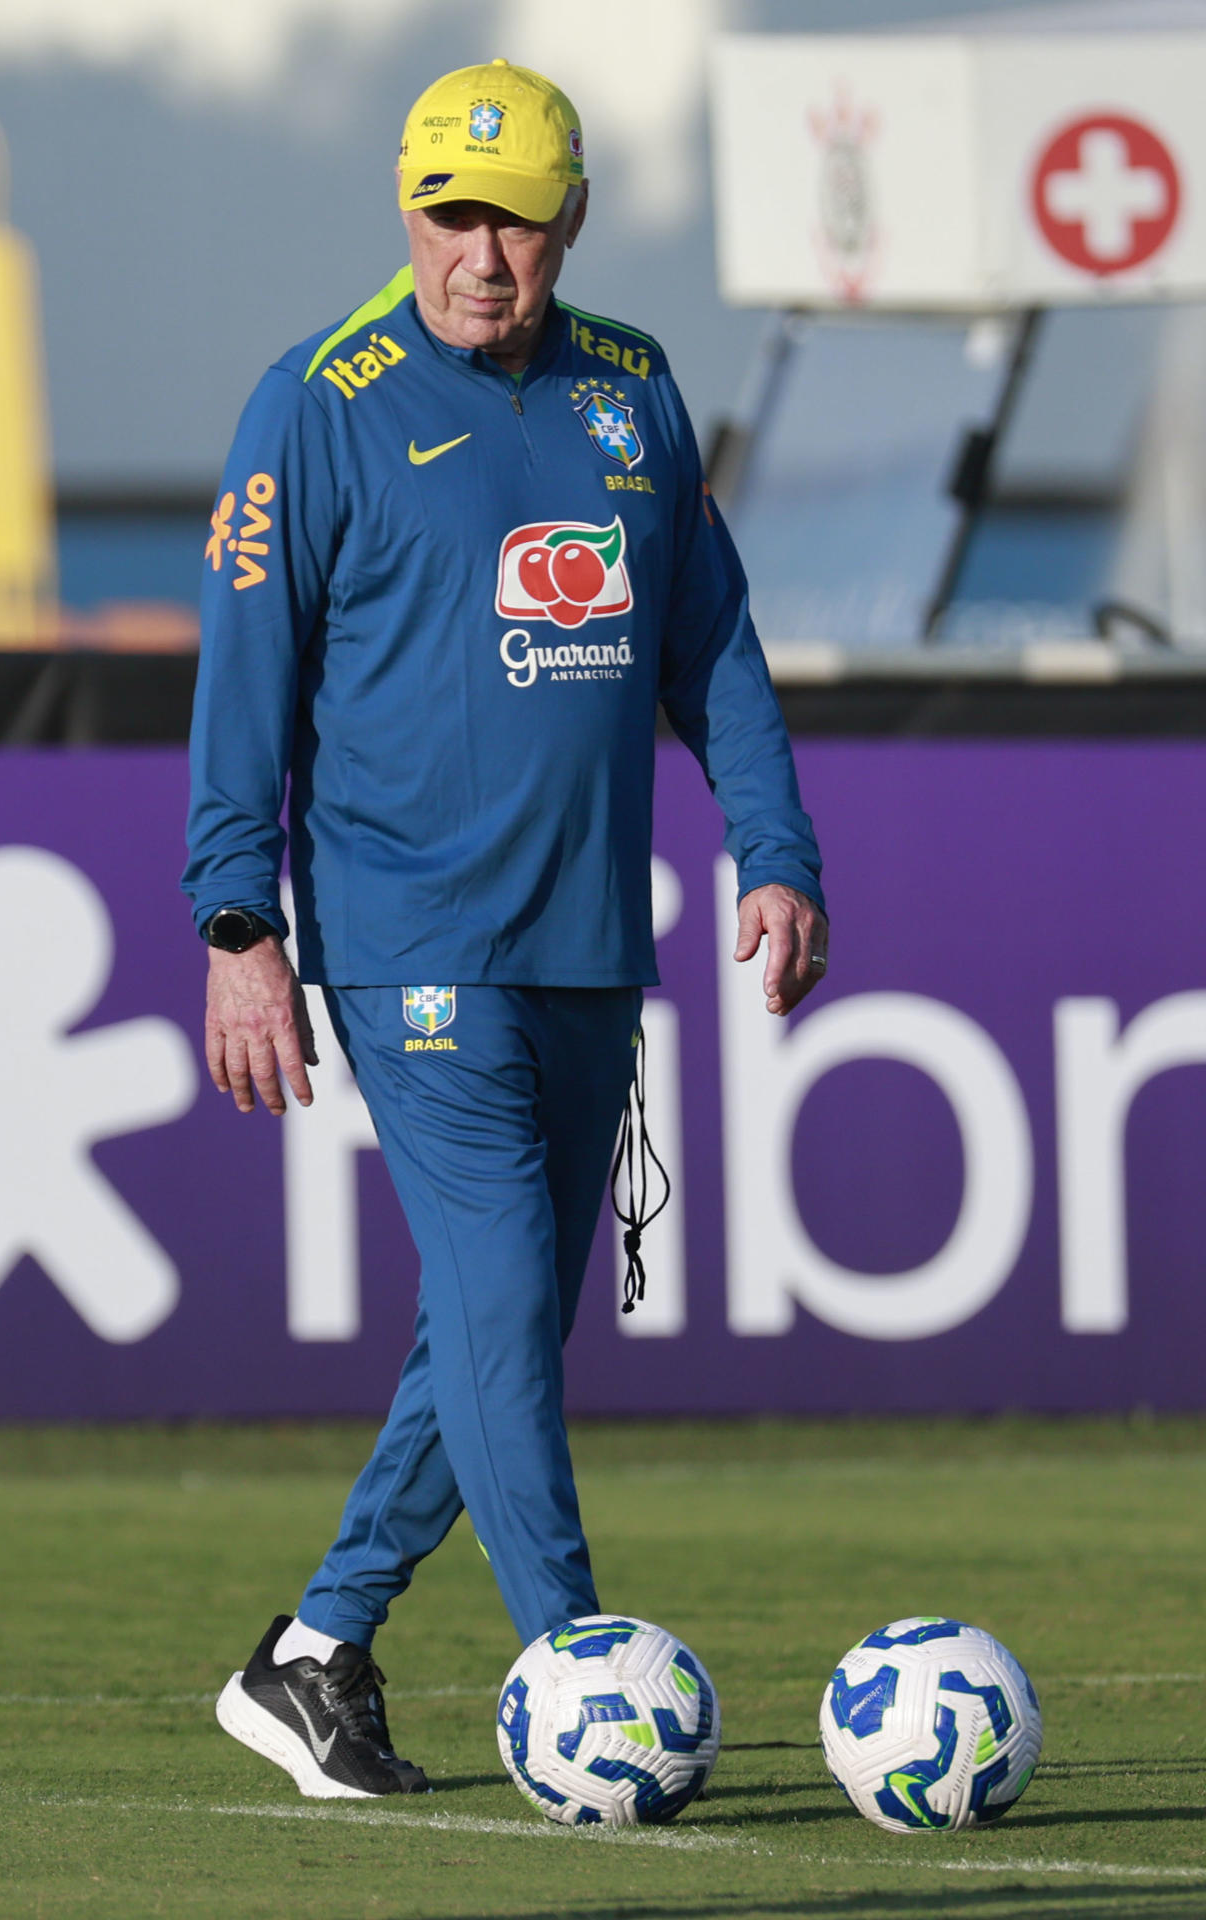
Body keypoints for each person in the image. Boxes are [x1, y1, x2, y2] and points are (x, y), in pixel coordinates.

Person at [182, 56, 828, 1803]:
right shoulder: (317, 402)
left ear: (571, 225)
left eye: (515, 220)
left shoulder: (636, 391)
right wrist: (239, 922)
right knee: (496, 1292)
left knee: (508, 1324)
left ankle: (316, 1652)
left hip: (589, 950)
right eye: (450, 215)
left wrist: (772, 845)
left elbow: (715, 647)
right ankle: (584, 1674)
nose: (480, 253)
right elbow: (245, 687)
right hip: (410, 947)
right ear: (409, 214)